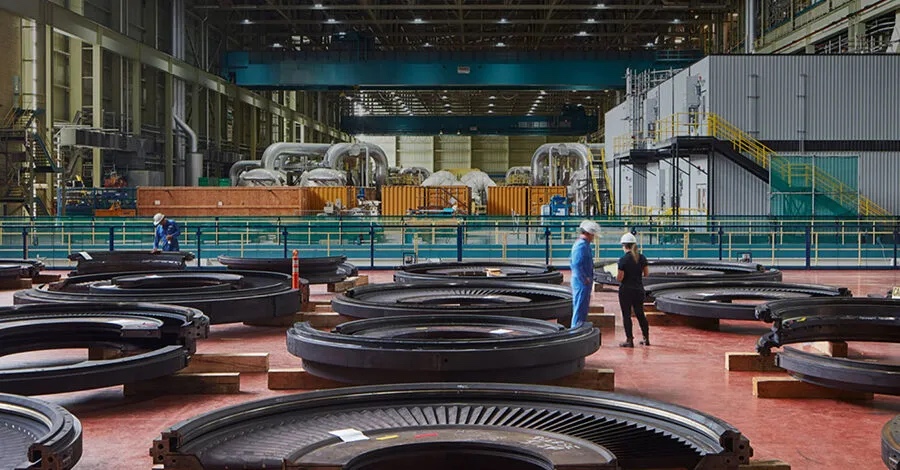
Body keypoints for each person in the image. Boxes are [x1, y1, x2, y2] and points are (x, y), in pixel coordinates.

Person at [617, 232, 650, 347]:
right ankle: (646, 338)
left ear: (624, 246)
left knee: (626, 315)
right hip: (638, 289)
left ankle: (629, 340)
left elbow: (620, 278)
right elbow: (646, 274)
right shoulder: (642, 257)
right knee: (640, 314)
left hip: (626, 291)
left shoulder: (623, 260)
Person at [569, 220, 601, 328]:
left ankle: (580, 325)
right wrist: (584, 279)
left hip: (583, 281)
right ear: (588, 233)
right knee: (579, 305)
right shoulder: (581, 246)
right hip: (581, 282)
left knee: (582, 306)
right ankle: (576, 328)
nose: (593, 237)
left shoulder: (584, 245)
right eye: (593, 235)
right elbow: (576, 264)